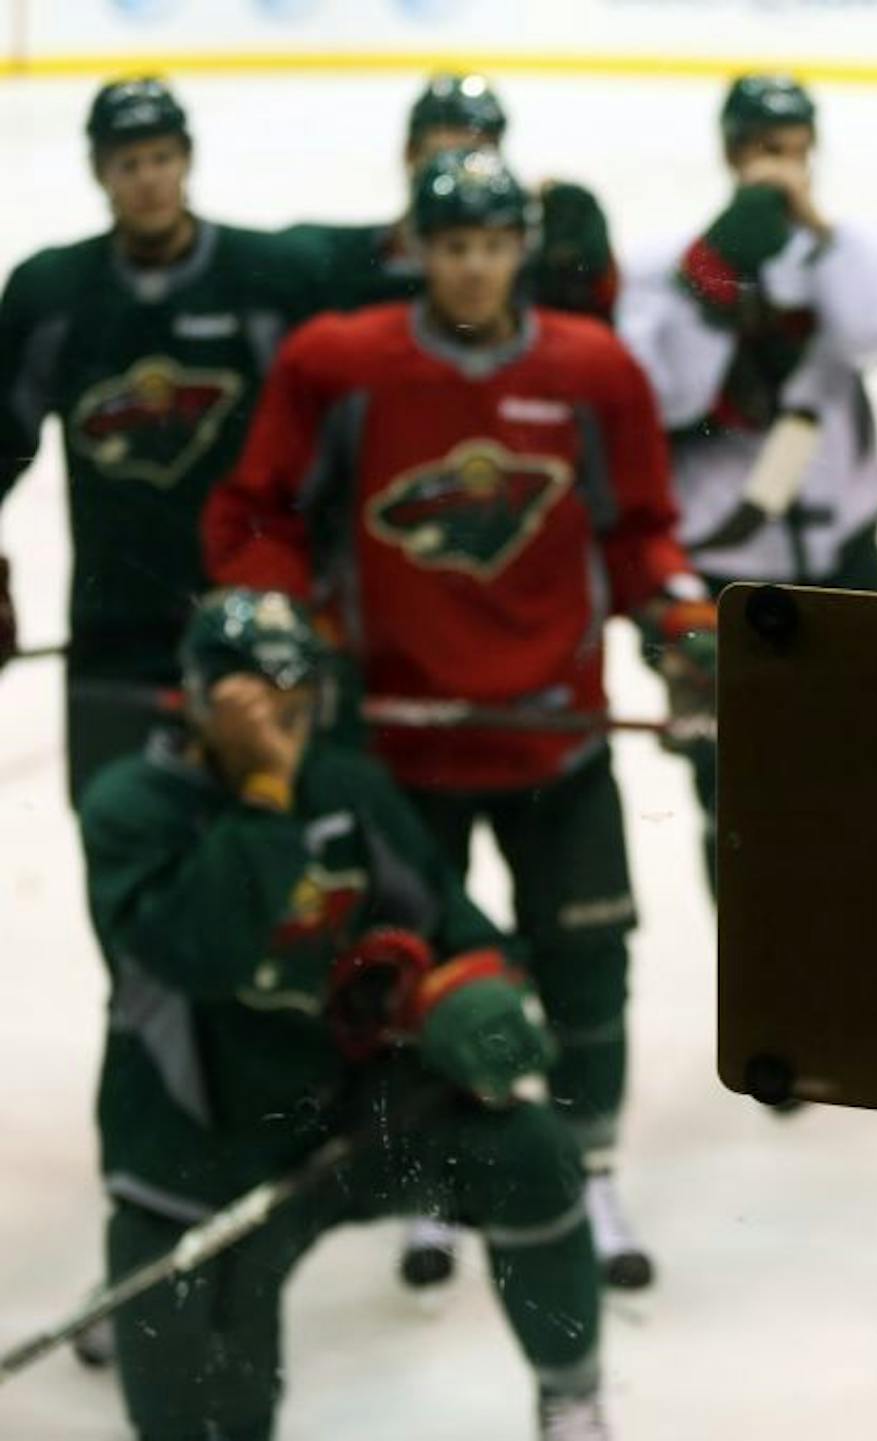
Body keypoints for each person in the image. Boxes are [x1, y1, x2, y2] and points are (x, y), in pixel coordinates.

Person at [202, 148, 713, 1297]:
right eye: (453, 247)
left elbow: (639, 532)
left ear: (520, 251)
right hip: (402, 744)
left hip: (557, 737)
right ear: (418, 249)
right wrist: (280, 618)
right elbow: (258, 511)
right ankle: (425, 1178)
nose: (473, 269)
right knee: (408, 973)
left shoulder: (594, 372)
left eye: (492, 246)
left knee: (587, 967)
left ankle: (589, 1168)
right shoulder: (342, 365)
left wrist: (678, 613)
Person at [81, 589, 609, 1440]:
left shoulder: (348, 788)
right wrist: (262, 795)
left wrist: (473, 993)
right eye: (258, 703)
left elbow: (459, 929)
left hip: (354, 1124)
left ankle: (572, 1395)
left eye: (300, 700)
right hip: (199, 1158)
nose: (286, 725)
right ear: (200, 697)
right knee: (208, 1421)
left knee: (529, 1152)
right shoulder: (132, 808)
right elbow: (205, 949)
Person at [617, 72, 877, 898]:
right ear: (730, 153)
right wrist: (712, 274)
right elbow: (666, 395)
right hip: (728, 579)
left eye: (793, 151)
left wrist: (820, 238)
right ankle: (754, 990)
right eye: (764, 150)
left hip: (848, 561)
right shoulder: (663, 269)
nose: (780, 169)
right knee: (736, 805)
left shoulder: (854, 252)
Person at [0, 76, 321, 801]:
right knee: (121, 836)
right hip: (113, 623)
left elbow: (316, 454)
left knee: (257, 844)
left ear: (186, 159)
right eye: (127, 163)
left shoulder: (263, 280)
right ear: (98, 171)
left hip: (251, 627)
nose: (146, 179)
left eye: (159, 158)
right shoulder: (53, 295)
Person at [285, 71, 617, 320]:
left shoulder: (536, 251)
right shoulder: (353, 260)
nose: (457, 173)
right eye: (444, 155)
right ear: (409, 154)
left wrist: (574, 257)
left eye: (476, 158)